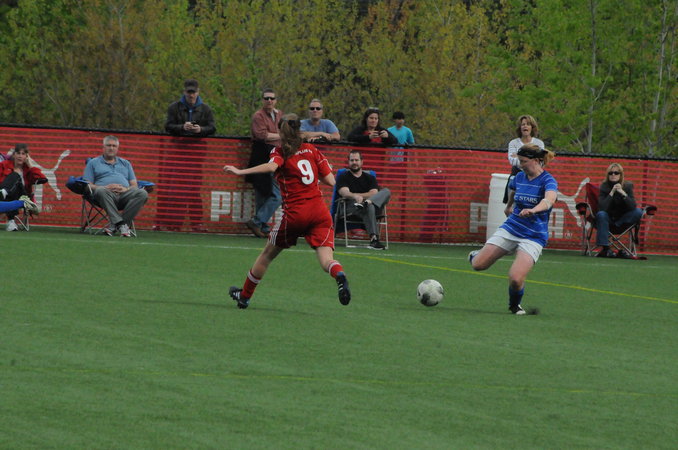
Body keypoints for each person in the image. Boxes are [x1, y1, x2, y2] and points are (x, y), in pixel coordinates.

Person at [223, 114, 351, 309]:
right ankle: (339, 274)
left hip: (296, 214)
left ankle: (245, 296)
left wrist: (241, 171)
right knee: (327, 260)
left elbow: (271, 166)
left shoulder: (280, 151)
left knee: (267, 255)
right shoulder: (312, 149)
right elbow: (331, 181)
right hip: (319, 212)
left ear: (280, 132)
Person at [468, 144, 557, 315]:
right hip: (512, 227)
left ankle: (514, 306)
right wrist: (509, 206)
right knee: (478, 265)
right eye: (519, 161)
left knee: (516, 279)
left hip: (533, 236)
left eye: (523, 161)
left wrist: (534, 210)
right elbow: (514, 191)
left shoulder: (548, 180)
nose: (520, 165)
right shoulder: (519, 177)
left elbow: (549, 200)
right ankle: (475, 255)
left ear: (536, 160)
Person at [158, 79, 216, 232]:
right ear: (184, 92)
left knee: (194, 189)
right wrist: (182, 127)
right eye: (189, 92)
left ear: (198, 92)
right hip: (177, 154)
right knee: (176, 189)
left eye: (193, 92)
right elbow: (168, 126)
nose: (191, 95)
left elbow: (212, 128)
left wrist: (200, 130)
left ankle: (196, 223)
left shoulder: (206, 109)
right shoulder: (174, 107)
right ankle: (174, 223)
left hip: (196, 156)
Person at [83, 136, 149, 237]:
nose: (111, 148)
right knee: (101, 190)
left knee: (142, 193)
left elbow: (134, 185)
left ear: (117, 148)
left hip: (124, 195)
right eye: (108, 145)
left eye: (114, 146)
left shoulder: (126, 163)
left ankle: (116, 225)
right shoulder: (93, 163)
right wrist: (104, 188)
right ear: (103, 147)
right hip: (104, 195)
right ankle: (122, 225)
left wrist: (125, 189)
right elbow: (87, 185)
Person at [245, 88, 283, 238]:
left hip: (275, 156)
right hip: (261, 155)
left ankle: (259, 223)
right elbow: (262, 135)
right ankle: (260, 224)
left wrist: (279, 136)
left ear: (276, 100)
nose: (269, 101)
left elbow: (281, 133)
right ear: (262, 100)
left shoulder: (280, 115)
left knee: (274, 194)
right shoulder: (258, 116)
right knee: (263, 191)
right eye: (266, 98)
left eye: (272, 98)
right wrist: (281, 136)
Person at [336, 150, 391, 250]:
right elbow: (344, 192)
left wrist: (363, 199)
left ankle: (366, 203)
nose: (354, 162)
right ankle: (374, 240)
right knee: (369, 206)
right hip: (351, 206)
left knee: (386, 191)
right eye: (352, 160)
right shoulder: (343, 176)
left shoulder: (370, 178)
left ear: (361, 161)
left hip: (369, 205)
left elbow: (374, 192)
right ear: (348, 162)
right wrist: (355, 197)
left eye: (356, 160)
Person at [595, 163, 644, 258]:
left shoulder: (628, 186)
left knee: (638, 211)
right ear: (608, 175)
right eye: (611, 173)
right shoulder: (604, 187)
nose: (613, 175)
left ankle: (616, 226)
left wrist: (623, 193)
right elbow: (602, 207)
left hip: (622, 221)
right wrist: (612, 192)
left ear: (621, 175)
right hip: (608, 220)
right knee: (601, 214)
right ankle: (605, 248)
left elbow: (632, 206)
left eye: (616, 173)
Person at [0, 144, 47, 231]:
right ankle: (11, 221)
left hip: (22, 196)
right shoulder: (4, 165)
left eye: (23, 154)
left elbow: (42, 179)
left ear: (26, 156)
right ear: (14, 155)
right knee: (13, 179)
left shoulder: (28, 169)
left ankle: (10, 219)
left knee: (16, 177)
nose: (20, 156)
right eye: (18, 153)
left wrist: (30, 165)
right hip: (5, 193)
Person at [503, 115, 545, 203]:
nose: (525, 126)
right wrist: (532, 158)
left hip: (534, 178)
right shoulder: (513, 143)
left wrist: (519, 156)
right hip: (516, 175)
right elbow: (512, 161)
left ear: (532, 127)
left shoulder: (539, 143)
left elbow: (540, 163)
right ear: (520, 127)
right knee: (512, 206)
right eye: (523, 124)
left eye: (528, 124)